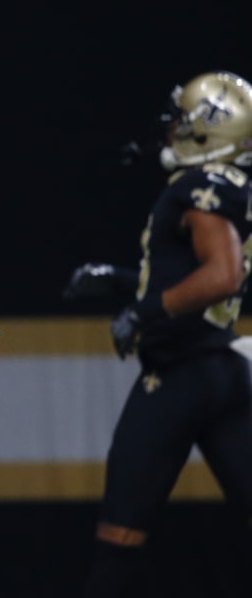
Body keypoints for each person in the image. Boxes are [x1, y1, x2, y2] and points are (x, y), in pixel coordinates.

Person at [63, 70, 252, 596]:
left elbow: (221, 275)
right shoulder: (236, 187)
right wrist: (118, 282)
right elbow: (185, 279)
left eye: (183, 120)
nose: (172, 128)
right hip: (227, 373)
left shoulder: (199, 187)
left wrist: (142, 316)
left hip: (178, 375)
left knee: (117, 545)